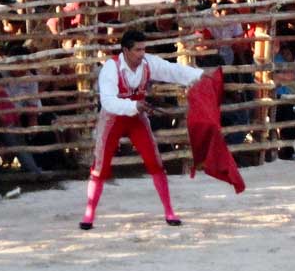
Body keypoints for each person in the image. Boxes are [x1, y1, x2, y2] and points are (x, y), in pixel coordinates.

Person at [80, 30, 204, 230]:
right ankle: (89, 213)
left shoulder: (148, 63)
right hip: (114, 119)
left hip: (136, 118)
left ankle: (169, 211)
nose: (141, 54)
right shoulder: (111, 68)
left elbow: (172, 71)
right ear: (125, 50)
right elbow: (108, 102)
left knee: (155, 162)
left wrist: (201, 76)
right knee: (100, 166)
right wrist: (133, 106)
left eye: (143, 49)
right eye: (137, 50)